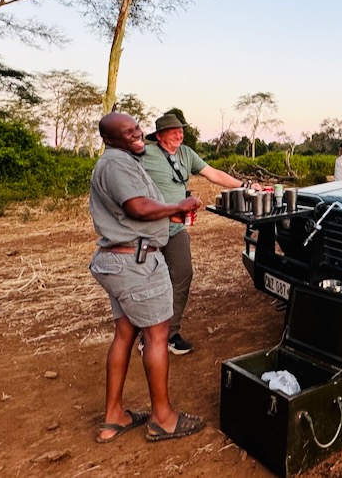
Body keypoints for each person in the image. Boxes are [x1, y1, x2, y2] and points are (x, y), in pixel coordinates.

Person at [88, 112, 205, 443]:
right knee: (156, 336)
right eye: (128, 132)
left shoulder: (122, 159)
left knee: (125, 334)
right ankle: (163, 419)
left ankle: (114, 416)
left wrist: (171, 212)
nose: (137, 134)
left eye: (137, 128)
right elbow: (137, 207)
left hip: (122, 260)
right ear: (110, 139)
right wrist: (176, 206)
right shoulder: (115, 164)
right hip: (136, 263)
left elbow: (138, 208)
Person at [142, 114, 246, 355]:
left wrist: (244, 185)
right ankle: (146, 335)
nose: (179, 134)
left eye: (181, 130)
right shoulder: (145, 155)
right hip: (148, 230)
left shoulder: (186, 154)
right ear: (159, 136)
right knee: (150, 282)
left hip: (176, 229)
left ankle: (169, 333)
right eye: (173, 131)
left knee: (182, 275)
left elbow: (214, 174)